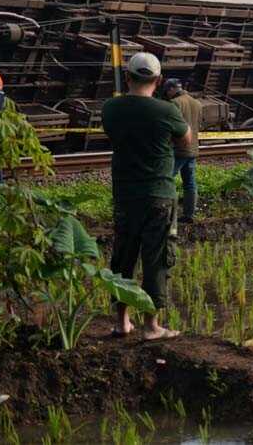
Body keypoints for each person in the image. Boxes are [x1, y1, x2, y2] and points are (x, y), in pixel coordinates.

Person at [102, 52, 190, 340]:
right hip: (159, 196)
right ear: (159, 80)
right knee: (156, 260)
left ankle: (121, 322)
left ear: (127, 77)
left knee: (123, 258)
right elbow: (185, 139)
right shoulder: (167, 111)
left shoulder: (111, 108)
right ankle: (152, 326)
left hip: (125, 196)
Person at [164, 78, 202, 223]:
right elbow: (199, 125)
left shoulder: (175, 103)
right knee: (190, 183)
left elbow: (171, 127)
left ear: (172, 89)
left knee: (166, 180)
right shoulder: (197, 103)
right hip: (192, 149)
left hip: (178, 150)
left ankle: (166, 215)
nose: (167, 94)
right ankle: (189, 214)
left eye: (167, 91)